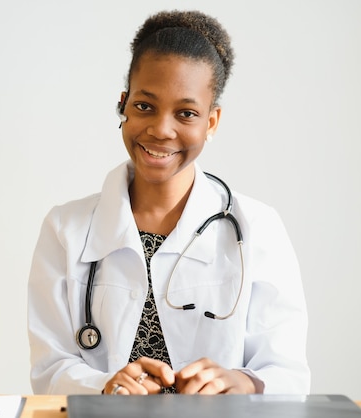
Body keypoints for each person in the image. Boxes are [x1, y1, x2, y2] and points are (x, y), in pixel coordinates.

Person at [27, 9, 310, 396]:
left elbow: (289, 373)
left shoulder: (258, 228)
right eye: (145, 106)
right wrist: (103, 386)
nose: (160, 129)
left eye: (186, 113)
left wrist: (241, 382)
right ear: (123, 104)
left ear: (211, 122)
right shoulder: (66, 229)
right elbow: (49, 369)